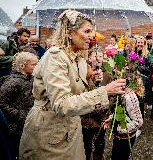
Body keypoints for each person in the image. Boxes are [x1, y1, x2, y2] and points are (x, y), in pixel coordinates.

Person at [19, 10, 126, 160]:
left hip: (71, 130)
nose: (92, 36)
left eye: (92, 31)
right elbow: (62, 103)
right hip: (48, 131)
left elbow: (80, 96)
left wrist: (91, 80)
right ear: (69, 33)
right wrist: (104, 92)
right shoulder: (55, 56)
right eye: (87, 31)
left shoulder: (80, 60)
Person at [0, 52, 38, 158]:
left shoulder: (32, 78)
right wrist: (19, 115)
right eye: (33, 64)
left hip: (28, 124)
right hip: (16, 128)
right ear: (22, 65)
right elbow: (1, 102)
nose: (37, 66)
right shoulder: (13, 82)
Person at [103, 88, 143, 160]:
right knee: (115, 156)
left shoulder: (130, 97)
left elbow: (138, 122)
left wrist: (120, 129)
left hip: (126, 138)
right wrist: (111, 119)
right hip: (118, 136)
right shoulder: (119, 93)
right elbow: (119, 111)